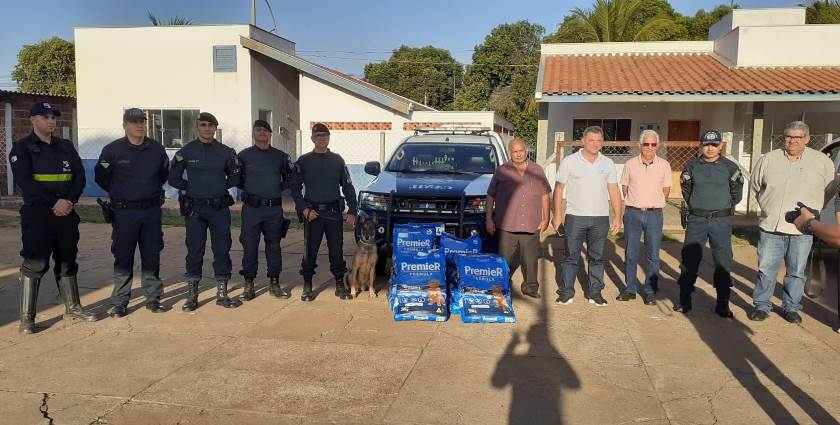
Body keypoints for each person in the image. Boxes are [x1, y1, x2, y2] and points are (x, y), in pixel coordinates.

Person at [9, 102, 96, 333]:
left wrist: (69, 201)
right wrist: (55, 202)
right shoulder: (22, 148)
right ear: (33, 120)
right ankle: (27, 318)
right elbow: (26, 182)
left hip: (67, 213)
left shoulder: (65, 146)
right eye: (46, 117)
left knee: (67, 259)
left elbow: (79, 177)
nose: (51, 121)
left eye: (53, 117)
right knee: (35, 262)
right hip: (39, 214)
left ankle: (73, 306)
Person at [748, 121, 835, 324]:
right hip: (771, 226)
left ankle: (791, 307)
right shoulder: (769, 159)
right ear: (783, 137)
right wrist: (769, 207)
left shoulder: (822, 161)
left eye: (798, 137)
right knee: (766, 270)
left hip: (803, 230)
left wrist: (813, 213)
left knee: (796, 272)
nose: (792, 141)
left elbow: (829, 190)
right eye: (788, 136)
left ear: (807, 139)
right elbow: (755, 186)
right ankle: (762, 306)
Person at [94, 108, 171, 317]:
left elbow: (163, 174)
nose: (140, 125)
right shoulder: (112, 150)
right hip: (124, 213)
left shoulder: (156, 149)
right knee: (123, 256)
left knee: (152, 255)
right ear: (125, 125)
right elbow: (101, 176)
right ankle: (120, 302)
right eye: (134, 121)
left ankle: (153, 298)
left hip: (151, 211)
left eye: (142, 121)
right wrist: (121, 192)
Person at [168, 112, 242, 311]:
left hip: (218, 209)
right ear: (197, 127)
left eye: (211, 125)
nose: (207, 128)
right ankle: (192, 297)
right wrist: (192, 186)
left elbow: (235, 177)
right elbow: (173, 177)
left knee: (222, 250)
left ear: (215, 128)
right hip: (195, 210)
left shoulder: (226, 152)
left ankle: (222, 294)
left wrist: (218, 187)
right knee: (194, 251)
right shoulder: (186, 151)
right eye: (203, 125)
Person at [673, 130, 744, 317]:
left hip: (721, 221)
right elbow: (686, 190)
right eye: (706, 144)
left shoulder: (730, 168)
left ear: (721, 145)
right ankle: (684, 301)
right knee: (690, 259)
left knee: (723, 261)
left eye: (714, 144)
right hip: (697, 220)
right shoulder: (692, 166)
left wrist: (721, 207)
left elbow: (736, 194)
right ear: (700, 146)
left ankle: (722, 304)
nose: (710, 148)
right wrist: (699, 206)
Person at [551, 126, 622, 307]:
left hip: (600, 219)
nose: (595, 144)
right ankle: (566, 292)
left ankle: (595, 293)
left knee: (596, 258)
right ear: (583, 141)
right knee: (571, 257)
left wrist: (618, 216)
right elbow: (558, 189)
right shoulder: (570, 161)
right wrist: (557, 215)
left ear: (602, 143)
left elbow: (614, 190)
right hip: (575, 217)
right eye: (591, 140)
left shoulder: (607, 163)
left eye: (599, 141)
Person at [288, 122, 357, 302]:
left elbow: (348, 186)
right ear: (312, 139)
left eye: (325, 136)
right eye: (318, 136)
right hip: (313, 214)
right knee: (310, 251)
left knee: (337, 250)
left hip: (334, 213)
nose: (322, 139)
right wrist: (304, 209)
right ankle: (307, 285)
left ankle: (340, 285)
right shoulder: (303, 161)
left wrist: (353, 209)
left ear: (328, 138)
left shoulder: (337, 160)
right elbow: (294, 188)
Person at [486, 138, 551, 298]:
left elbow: (545, 195)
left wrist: (546, 217)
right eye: (514, 152)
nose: (518, 154)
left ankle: (530, 287)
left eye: (521, 151)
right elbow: (490, 195)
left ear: (526, 151)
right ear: (510, 153)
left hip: (531, 223)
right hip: (507, 224)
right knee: (504, 260)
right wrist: (489, 218)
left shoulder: (537, 170)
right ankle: (500, 287)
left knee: (530, 260)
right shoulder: (502, 171)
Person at [237, 120, 294, 300]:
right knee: (249, 247)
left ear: (270, 134)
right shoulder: (244, 156)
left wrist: (276, 189)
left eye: (265, 130)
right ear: (254, 133)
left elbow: (290, 177)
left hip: (273, 209)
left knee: (274, 247)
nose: (262, 133)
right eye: (258, 130)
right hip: (252, 209)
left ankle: (274, 284)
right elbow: (237, 179)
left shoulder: (280, 156)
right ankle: (249, 285)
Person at [616, 130, 672, 305]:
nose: (649, 147)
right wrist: (636, 202)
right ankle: (630, 289)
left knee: (653, 255)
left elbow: (666, 190)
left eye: (653, 144)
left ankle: (649, 290)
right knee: (631, 254)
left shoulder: (664, 165)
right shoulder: (630, 164)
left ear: (657, 146)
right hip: (633, 214)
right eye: (646, 144)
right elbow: (625, 187)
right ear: (640, 145)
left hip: (654, 214)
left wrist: (652, 202)